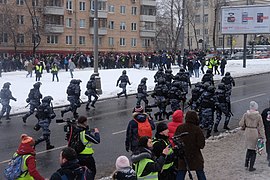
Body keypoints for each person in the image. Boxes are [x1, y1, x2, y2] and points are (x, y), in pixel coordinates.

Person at [174, 110, 206, 180]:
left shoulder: (180, 127)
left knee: (181, 172)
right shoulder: (197, 129)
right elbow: (201, 145)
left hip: (183, 155)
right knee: (200, 172)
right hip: (195, 155)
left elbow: (176, 140)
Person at [239, 101, 265, 171]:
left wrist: (245, 126)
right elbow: (261, 127)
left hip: (247, 131)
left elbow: (241, 123)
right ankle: (251, 166)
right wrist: (262, 135)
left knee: (249, 148)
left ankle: (246, 164)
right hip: (254, 132)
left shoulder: (245, 114)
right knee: (254, 150)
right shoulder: (258, 116)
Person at [261, 100, 270, 166]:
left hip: (267, 129)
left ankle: (268, 155)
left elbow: (261, 120)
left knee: (268, 142)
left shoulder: (265, 111)